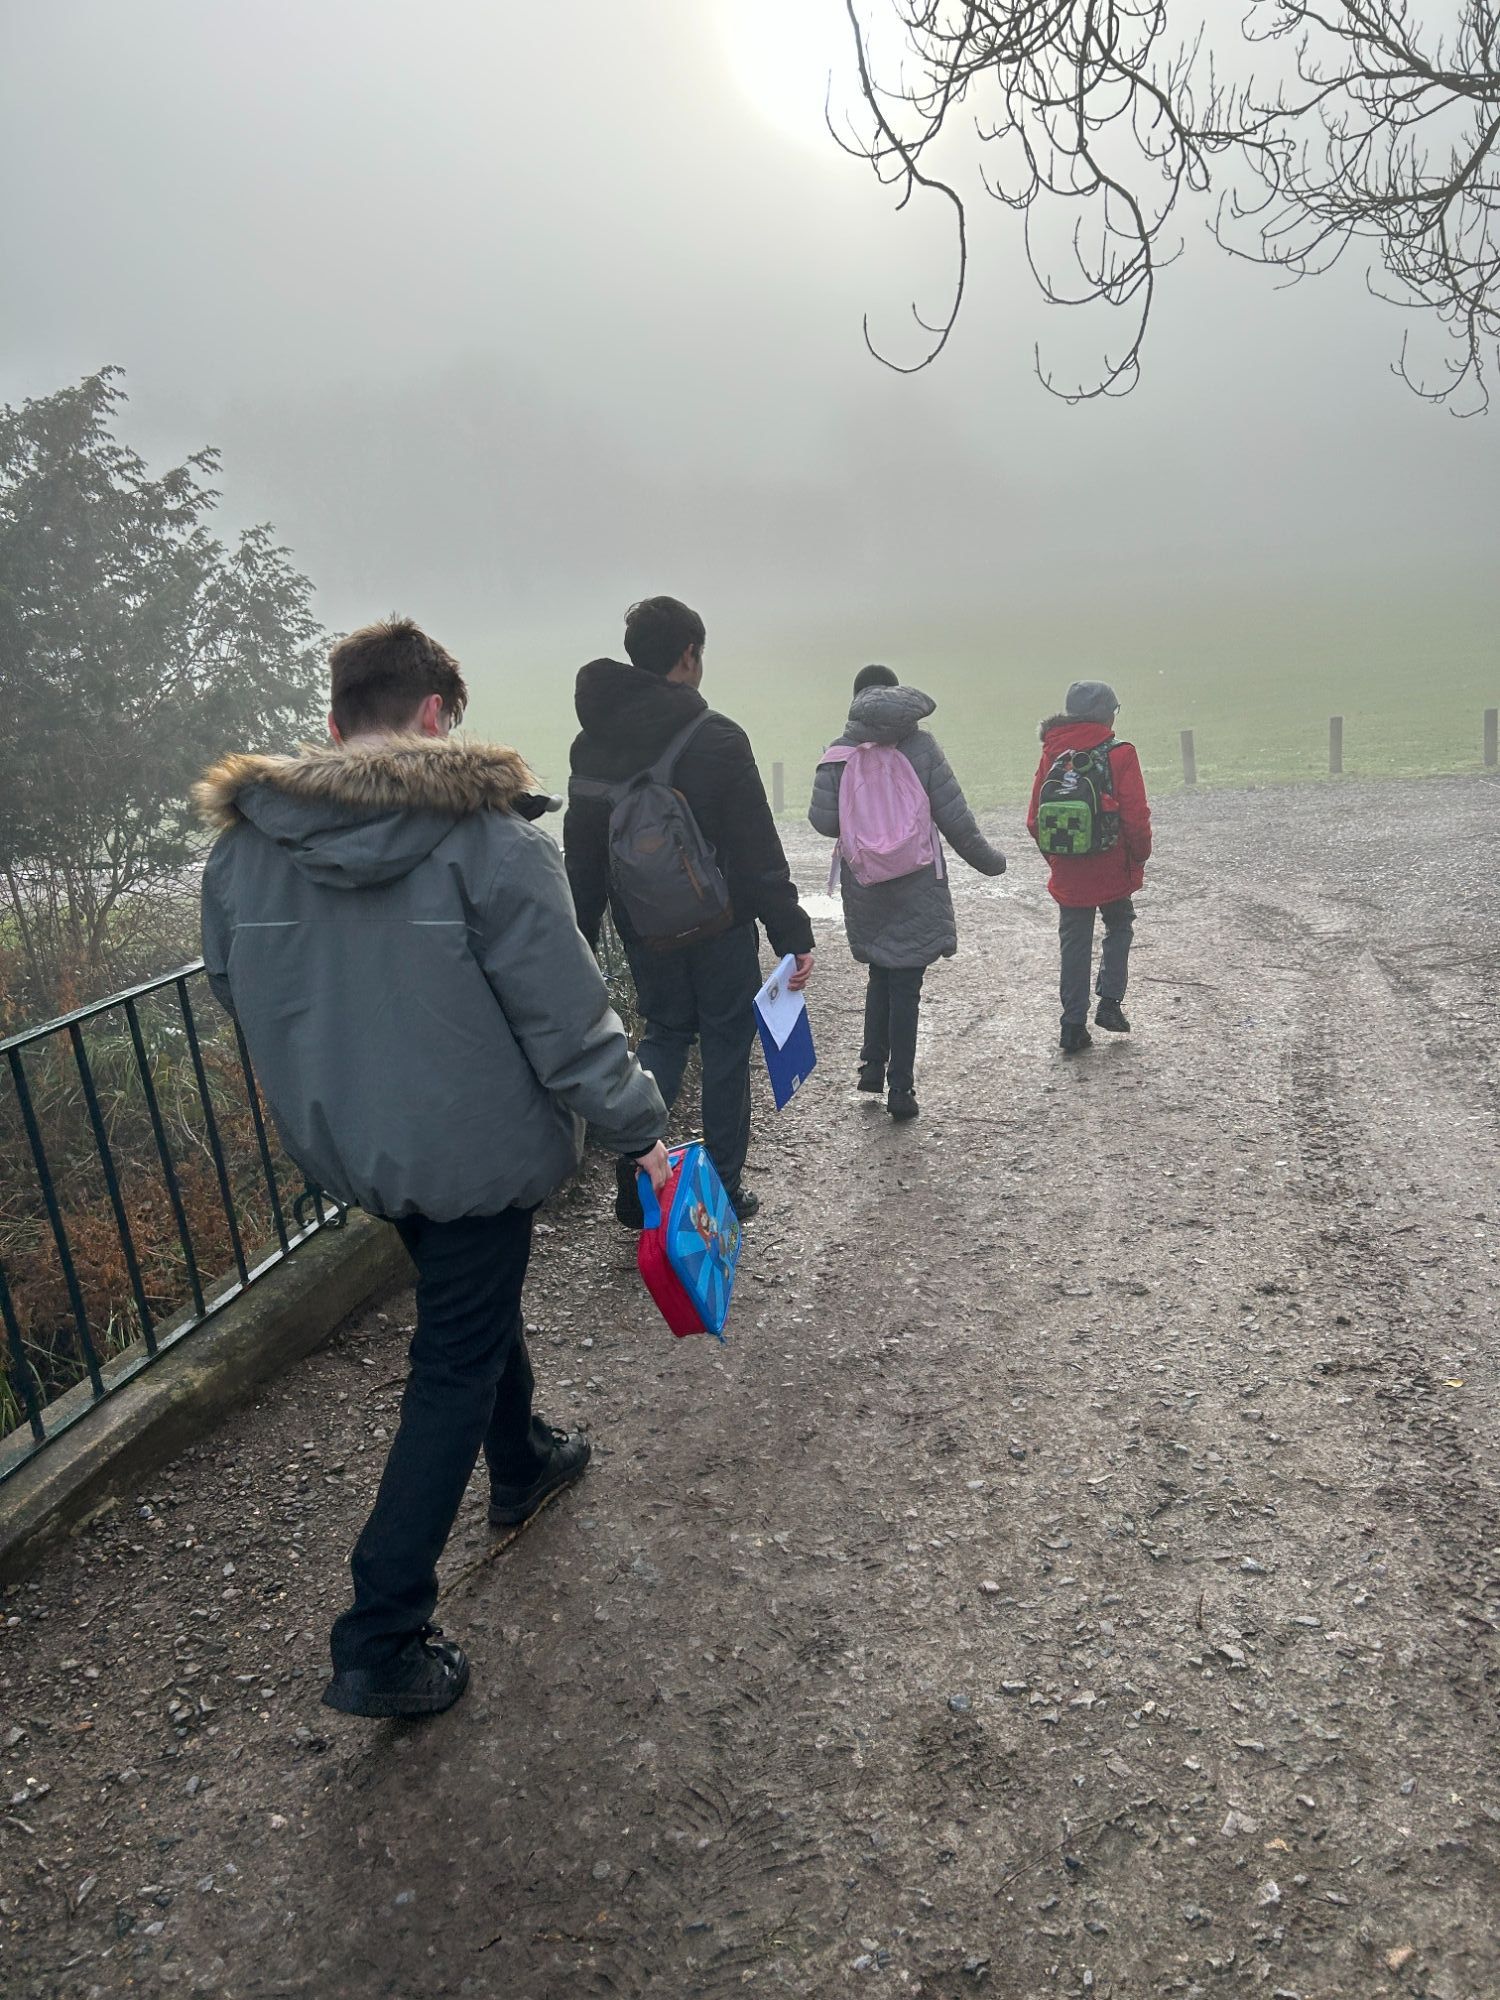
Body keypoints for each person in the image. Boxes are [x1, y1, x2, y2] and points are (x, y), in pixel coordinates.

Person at [195, 617, 669, 1720]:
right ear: (431, 715)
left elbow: (237, 989)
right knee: (452, 1352)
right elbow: (570, 1021)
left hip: (355, 1143)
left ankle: (524, 1456)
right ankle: (381, 1629)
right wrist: (639, 1128)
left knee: (468, 1304)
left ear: (332, 722)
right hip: (477, 1144)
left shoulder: (243, 848)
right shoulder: (493, 845)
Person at [564, 595, 815, 1224]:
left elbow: (584, 860)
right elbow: (758, 850)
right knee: (728, 1043)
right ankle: (723, 1189)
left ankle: (634, 1182)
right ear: (689, 655)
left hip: (644, 930)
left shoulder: (589, 747)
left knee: (666, 1034)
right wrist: (792, 931)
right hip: (720, 925)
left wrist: (579, 941)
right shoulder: (717, 737)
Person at [809, 668, 1006, 1122]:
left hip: (866, 883)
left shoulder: (839, 753)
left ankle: (871, 1067)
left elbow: (822, 822)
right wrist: (989, 861)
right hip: (916, 881)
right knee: (906, 984)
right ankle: (901, 1088)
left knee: (881, 969)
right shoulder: (921, 747)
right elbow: (955, 817)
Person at [1026, 679, 1152, 1055]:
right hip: (1112, 865)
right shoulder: (1120, 754)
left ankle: (1072, 1027)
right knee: (1119, 925)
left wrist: (1059, 859)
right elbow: (1135, 817)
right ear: (1104, 713)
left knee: (1074, 944)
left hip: (1069, 870)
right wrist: (1139, 855)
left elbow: (1035, 819)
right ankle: (1110, 1002)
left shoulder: (1052, 754)